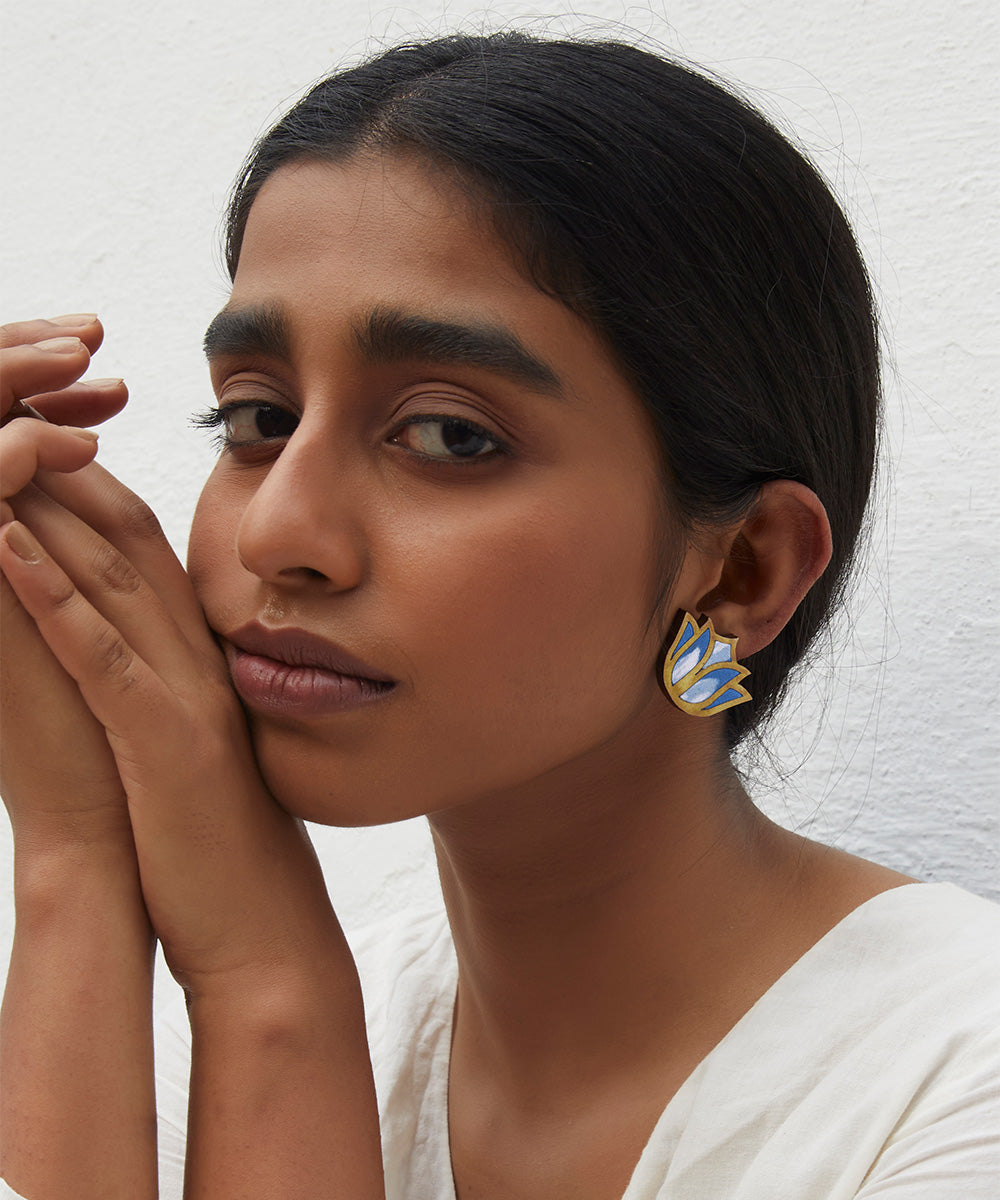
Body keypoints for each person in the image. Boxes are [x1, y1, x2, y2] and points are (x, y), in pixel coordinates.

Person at [0, 30, 997, 1200]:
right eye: (258, 419)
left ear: (741, 574)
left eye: (449, 436)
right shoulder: (188, 1060)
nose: (275, 533)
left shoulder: (947, 1091)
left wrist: (275, 989)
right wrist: (73, 845)